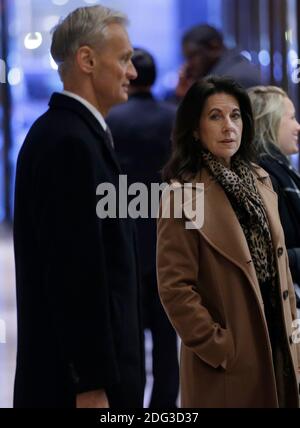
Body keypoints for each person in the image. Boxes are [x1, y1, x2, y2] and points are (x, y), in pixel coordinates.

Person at [13, 5, 144, 408]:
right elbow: (75, 274)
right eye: (123, 59)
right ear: (87, 60)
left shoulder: (77, 134)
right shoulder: (69, 142)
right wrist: (90, 383)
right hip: (80, 389)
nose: (133, 72)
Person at [156, 76, 300, 408]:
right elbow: (175, 287)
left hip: (277, 340)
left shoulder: (261, 180)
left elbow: (277, 266)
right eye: (215, 117)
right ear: (195, 128)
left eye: (235, 116)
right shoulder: (182, 195)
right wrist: (218, 345)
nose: (228, 127)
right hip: (230, 359)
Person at [107, 48, 179, 407]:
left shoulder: (110, 120)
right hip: (169, 234)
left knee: (129, 335)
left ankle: (129, 406)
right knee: (168, 336)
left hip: (125, 235)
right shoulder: (175, 118)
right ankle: (164, 407)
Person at [248, 86, 300, 311]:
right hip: (279, 306)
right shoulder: (265, 177)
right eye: (291, 117)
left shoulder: (280, 172)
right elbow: (267, 255)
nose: (297, 126)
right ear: (270, 122)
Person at [175, 24, 261, 100]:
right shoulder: (224, 74)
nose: (188, 65)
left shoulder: (235, 79)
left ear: (214, 48)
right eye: (186, 58)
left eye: (192, 56)